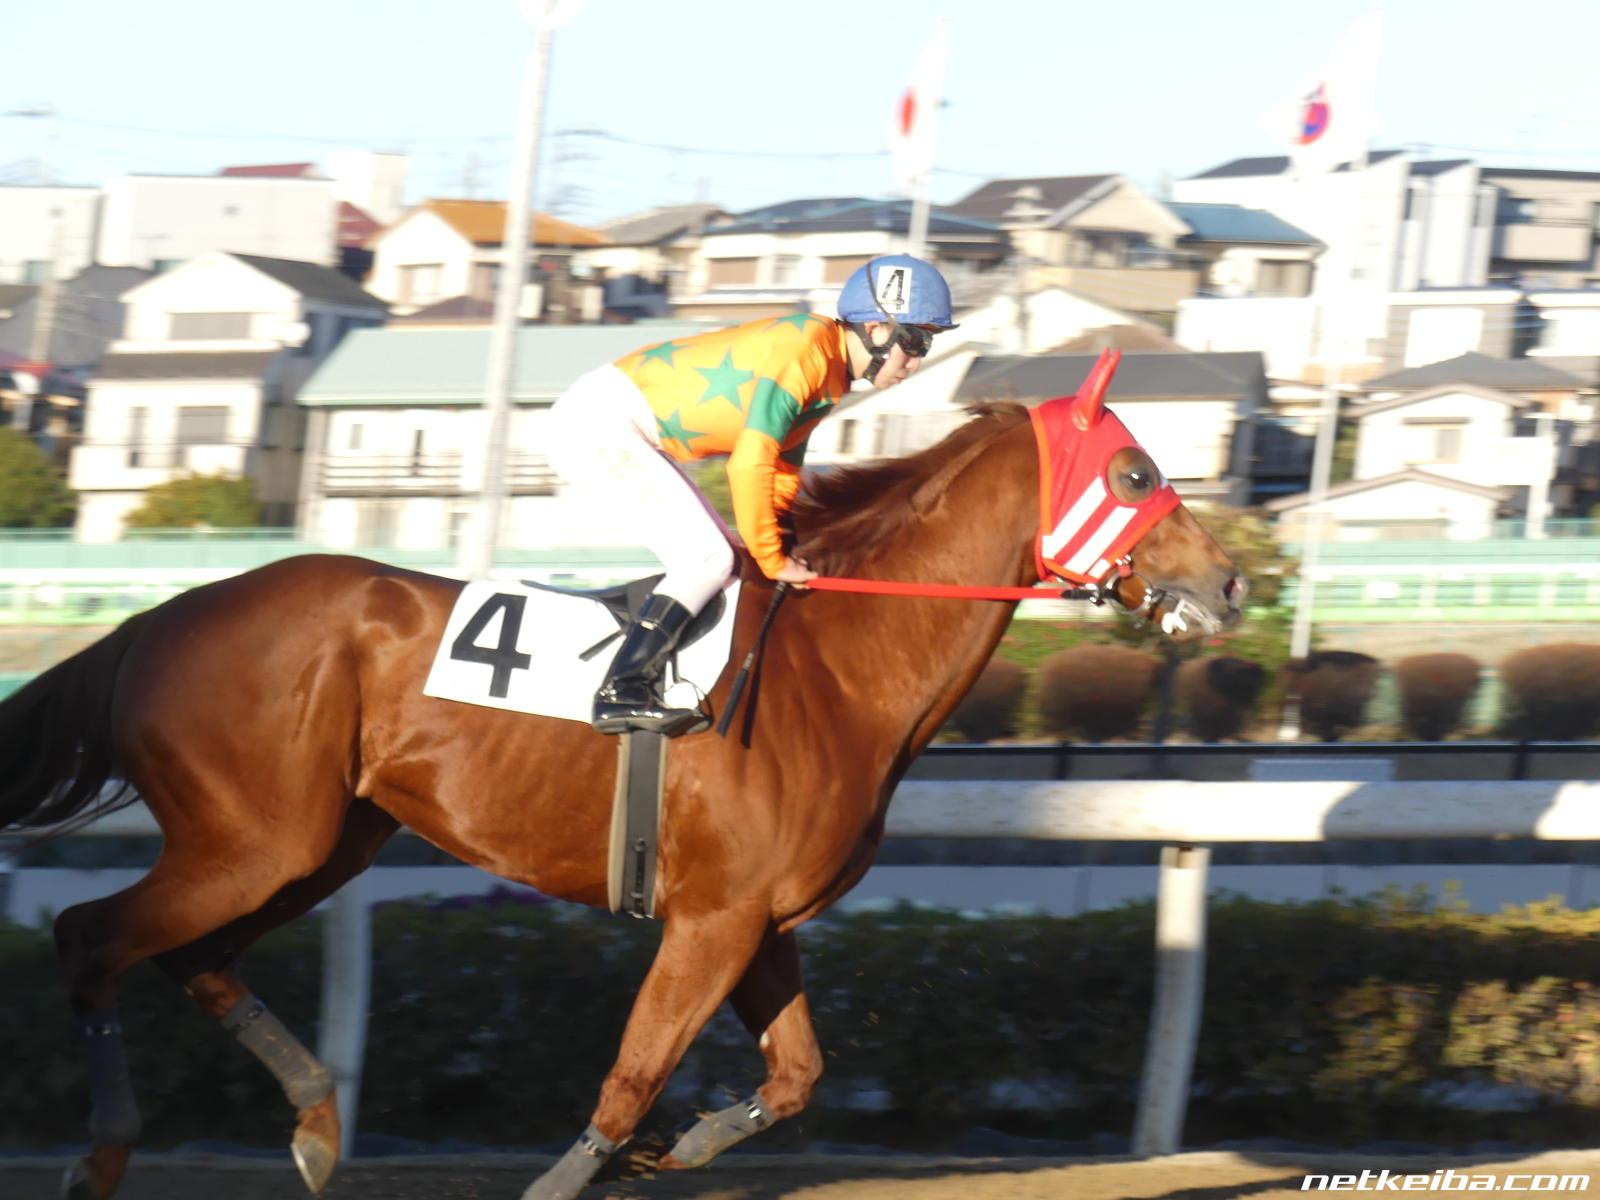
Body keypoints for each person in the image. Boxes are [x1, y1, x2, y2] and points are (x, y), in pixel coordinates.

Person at [545, 253, 958, 736]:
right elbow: (750, 463)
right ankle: (622, 689)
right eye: (916, 340)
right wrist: (774, 559)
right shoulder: (806, 351)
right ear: (876, 329)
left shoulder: (830, 370)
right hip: (597, 425)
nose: (917, 360)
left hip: (619, 426)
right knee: (708, 559)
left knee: (728, 560)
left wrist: (783, 544)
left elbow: (783, 466)